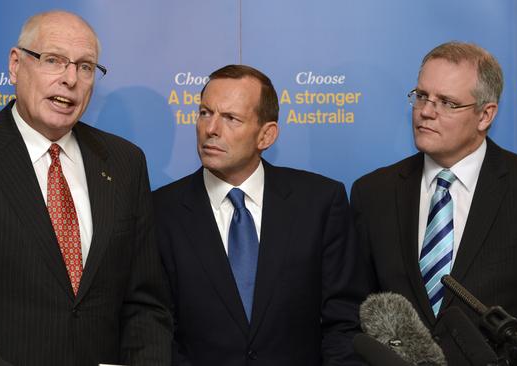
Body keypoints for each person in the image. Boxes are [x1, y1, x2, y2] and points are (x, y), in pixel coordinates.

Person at [0, 10, 171, 366]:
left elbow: (145, 302)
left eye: (85, 67)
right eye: (54, 60)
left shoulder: (125, 162)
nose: (70, 79)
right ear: (16, 65)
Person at [153, 64, 365, 365]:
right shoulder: (161, 211)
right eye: (205, 113)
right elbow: (156, 328)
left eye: (230, 118)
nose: (211, 129)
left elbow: (344, 320)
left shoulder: (320, 202)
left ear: (266, 136)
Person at [351, 41, 517, 362]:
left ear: (485, 115)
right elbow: (356, 304)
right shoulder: (372, 192)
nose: (426, 111)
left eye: (447, 102)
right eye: (422, 96)